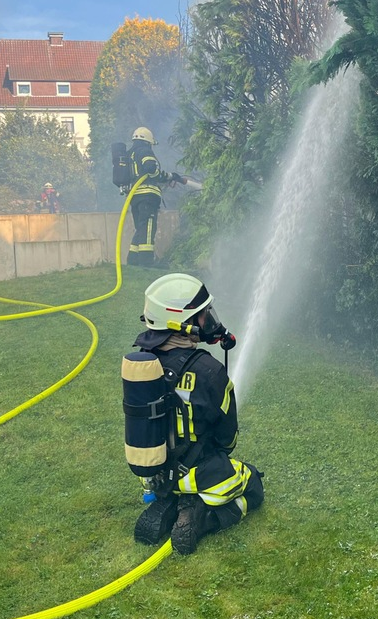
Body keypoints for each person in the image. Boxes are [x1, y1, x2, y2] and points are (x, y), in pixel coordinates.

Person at [123, 273, 264, 554]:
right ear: (180, 323)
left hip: (156, 471)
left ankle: (170, 503)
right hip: (199, 474)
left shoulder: (142, 365)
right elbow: (227, 438)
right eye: (201, 316)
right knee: (253, 486)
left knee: (179, 483)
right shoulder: (209, 372)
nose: (207, 321)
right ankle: (204, 518)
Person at [126, 127, 185, 267]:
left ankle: (133, 261)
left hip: (135, 197)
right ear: (148, 141)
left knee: (141, 229)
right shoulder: (144, 150)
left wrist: (166, 179)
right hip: (147, 196)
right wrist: (169, 176)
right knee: (147, 229)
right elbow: (151, 169)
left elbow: (144, 173)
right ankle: (146, 263)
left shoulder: (130, 154)